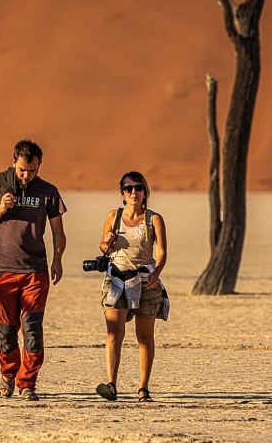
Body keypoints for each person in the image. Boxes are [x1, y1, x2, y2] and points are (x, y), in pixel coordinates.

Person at [0, 139, 67, 401]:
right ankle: (8, 374)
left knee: (32, 329)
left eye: (32, 170)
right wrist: (2, 208)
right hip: (3, 270)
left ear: (40, 166)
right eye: (22, 170)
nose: (27, 175)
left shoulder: (48, 191)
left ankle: (28, 383)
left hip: (35, 271)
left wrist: (57, 259)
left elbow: (58, 232)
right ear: (13, 161)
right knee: (5, 332)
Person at [95, 171, 168, 403]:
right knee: (113, 333)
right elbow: (103, 247)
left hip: (145, 280)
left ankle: (143, 388)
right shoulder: (113, 216)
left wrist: (156, 274)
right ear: (122, 193)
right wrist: (107, 243)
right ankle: (111, 384)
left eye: (138, 188)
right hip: (117, 279)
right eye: (128, 189)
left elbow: (162, 252)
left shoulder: (154, 219)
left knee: (144, 336)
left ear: (145, 192)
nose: (133, 192)